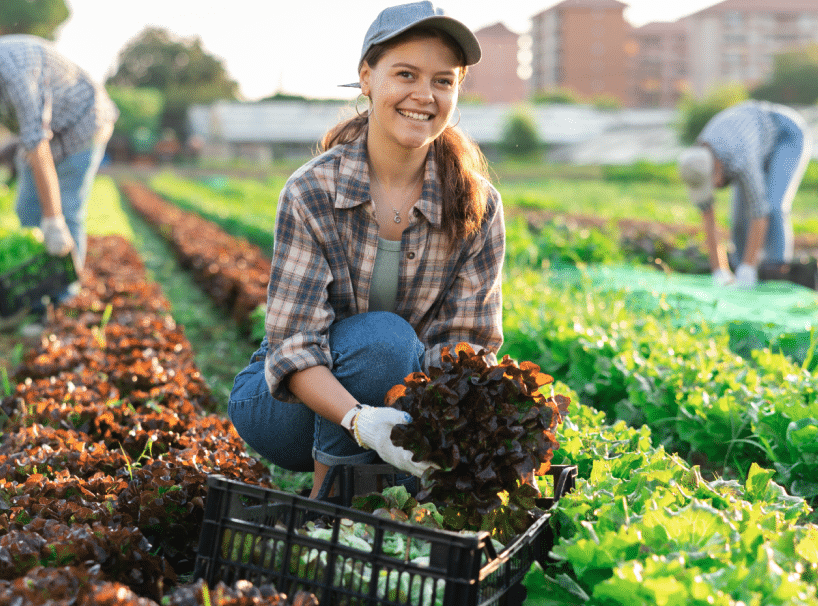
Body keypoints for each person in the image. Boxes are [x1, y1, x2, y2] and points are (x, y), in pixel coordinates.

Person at [228, 1, 505, 499]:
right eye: (406, 74)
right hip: (286, 408)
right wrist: (361, 421)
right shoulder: (312, 191)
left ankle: (379, 498)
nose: (424, 96)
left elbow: (465, 346)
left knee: (404, 363)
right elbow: (293, 349)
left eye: (443, 81)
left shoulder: (476, 204)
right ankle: (326, 510)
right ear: (366, 78)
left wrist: (437, 435)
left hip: (400, 400)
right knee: (384, 341)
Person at [0, 34, 118, 278]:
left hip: (83, 122)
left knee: (65, 212)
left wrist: (53, 220)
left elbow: (38, 146)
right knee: (27, 209)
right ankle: (37, 287)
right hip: (45, 129)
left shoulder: (16, 76)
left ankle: (66, 293)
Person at [678, 100, 812, 289]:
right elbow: (708, 216)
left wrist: (748, 268)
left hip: (784, 134)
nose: (715, 188)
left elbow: (760, 212)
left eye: (713, 184)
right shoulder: (697, 163)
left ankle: (775, 273)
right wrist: (719, 271)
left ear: (717, 168)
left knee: (773, 206)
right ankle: (739, 273)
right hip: (752, 140)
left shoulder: (740, 158)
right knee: (739, 220)